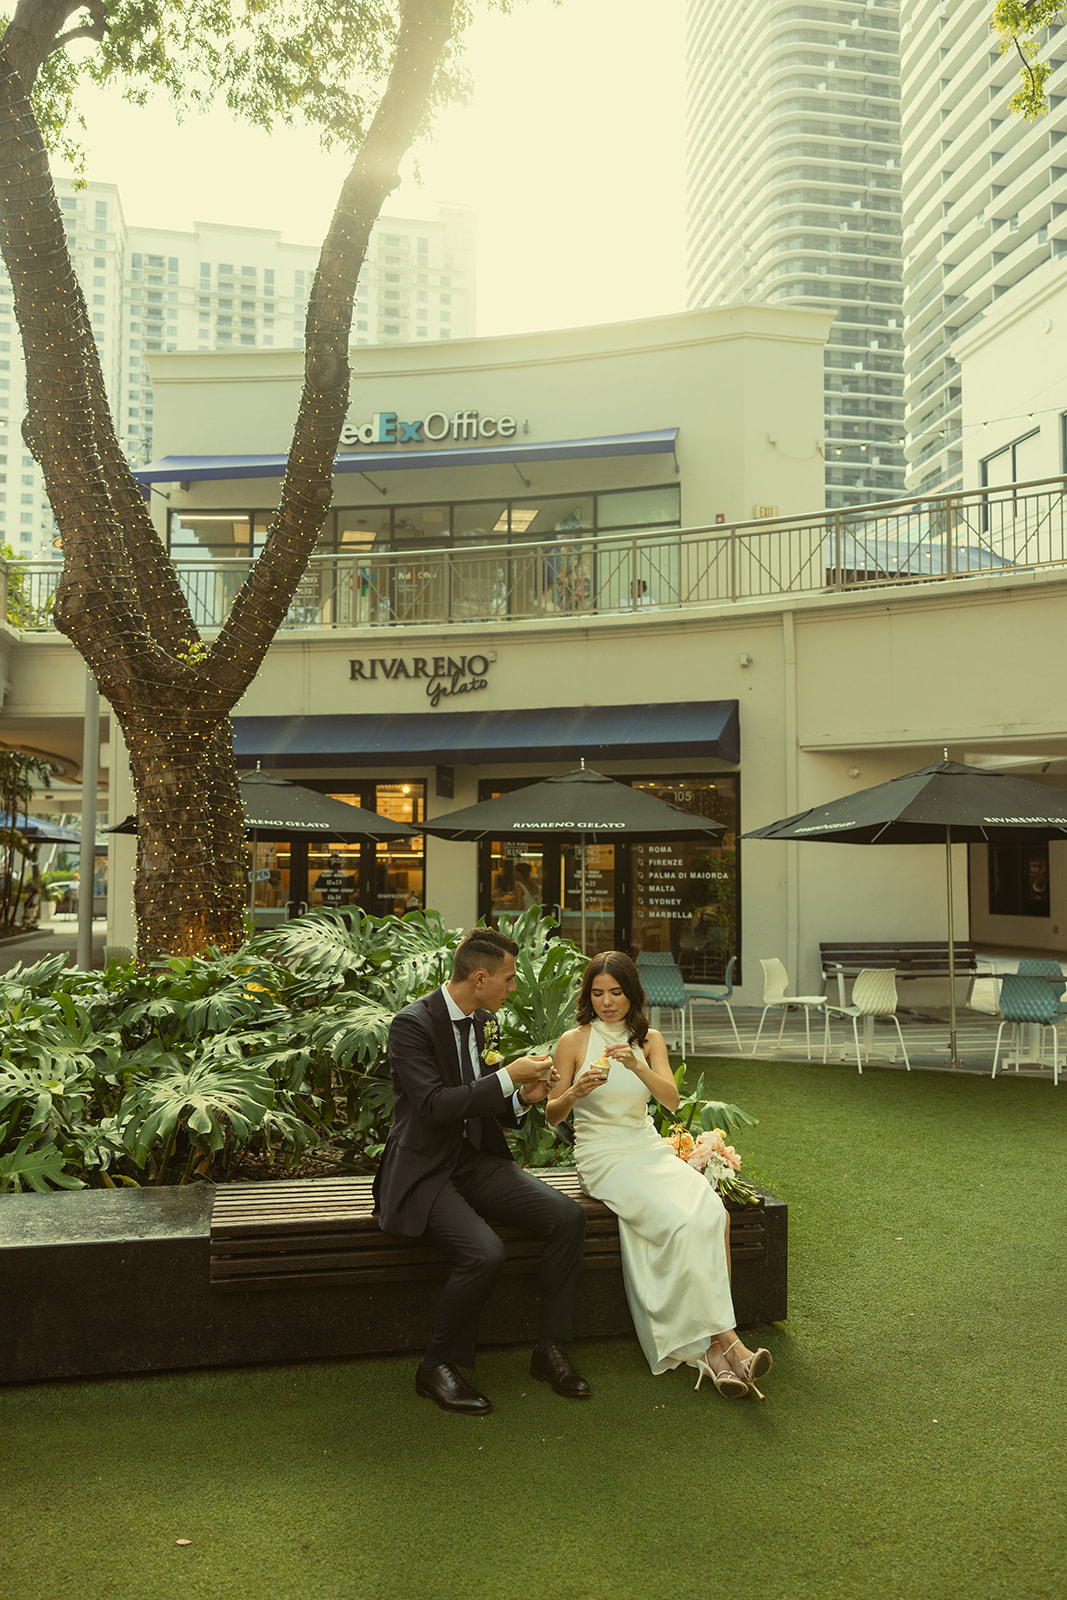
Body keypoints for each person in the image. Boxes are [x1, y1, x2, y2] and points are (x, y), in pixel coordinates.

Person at [373, 927, 590, 1415]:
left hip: (474, 1159)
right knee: (485, 1253)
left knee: (567, 1218)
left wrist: (521, 1097)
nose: (512, 988)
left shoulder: (482, 1020)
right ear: (479, 977)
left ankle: (550, 1348)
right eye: (508, 980)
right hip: (425, 1168)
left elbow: (482, 1100)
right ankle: (435, 1366)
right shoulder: (411, 1024)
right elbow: (431, 1106)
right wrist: (507, 1077)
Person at [546, 950, 772, 1399]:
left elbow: (670, 1100)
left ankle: (711, 1357)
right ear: (588, 996)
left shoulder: (650, 1040)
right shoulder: (574, 1041)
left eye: (616, 992)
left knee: (711, 1213)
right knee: (681, 1222)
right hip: (602, 1157)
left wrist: (637, 1066)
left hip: (647, 1149)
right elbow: (552, 1114)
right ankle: (730, 1343)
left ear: (632, 994)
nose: (607, 1002)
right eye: (597, 993)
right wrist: (575, 1089)